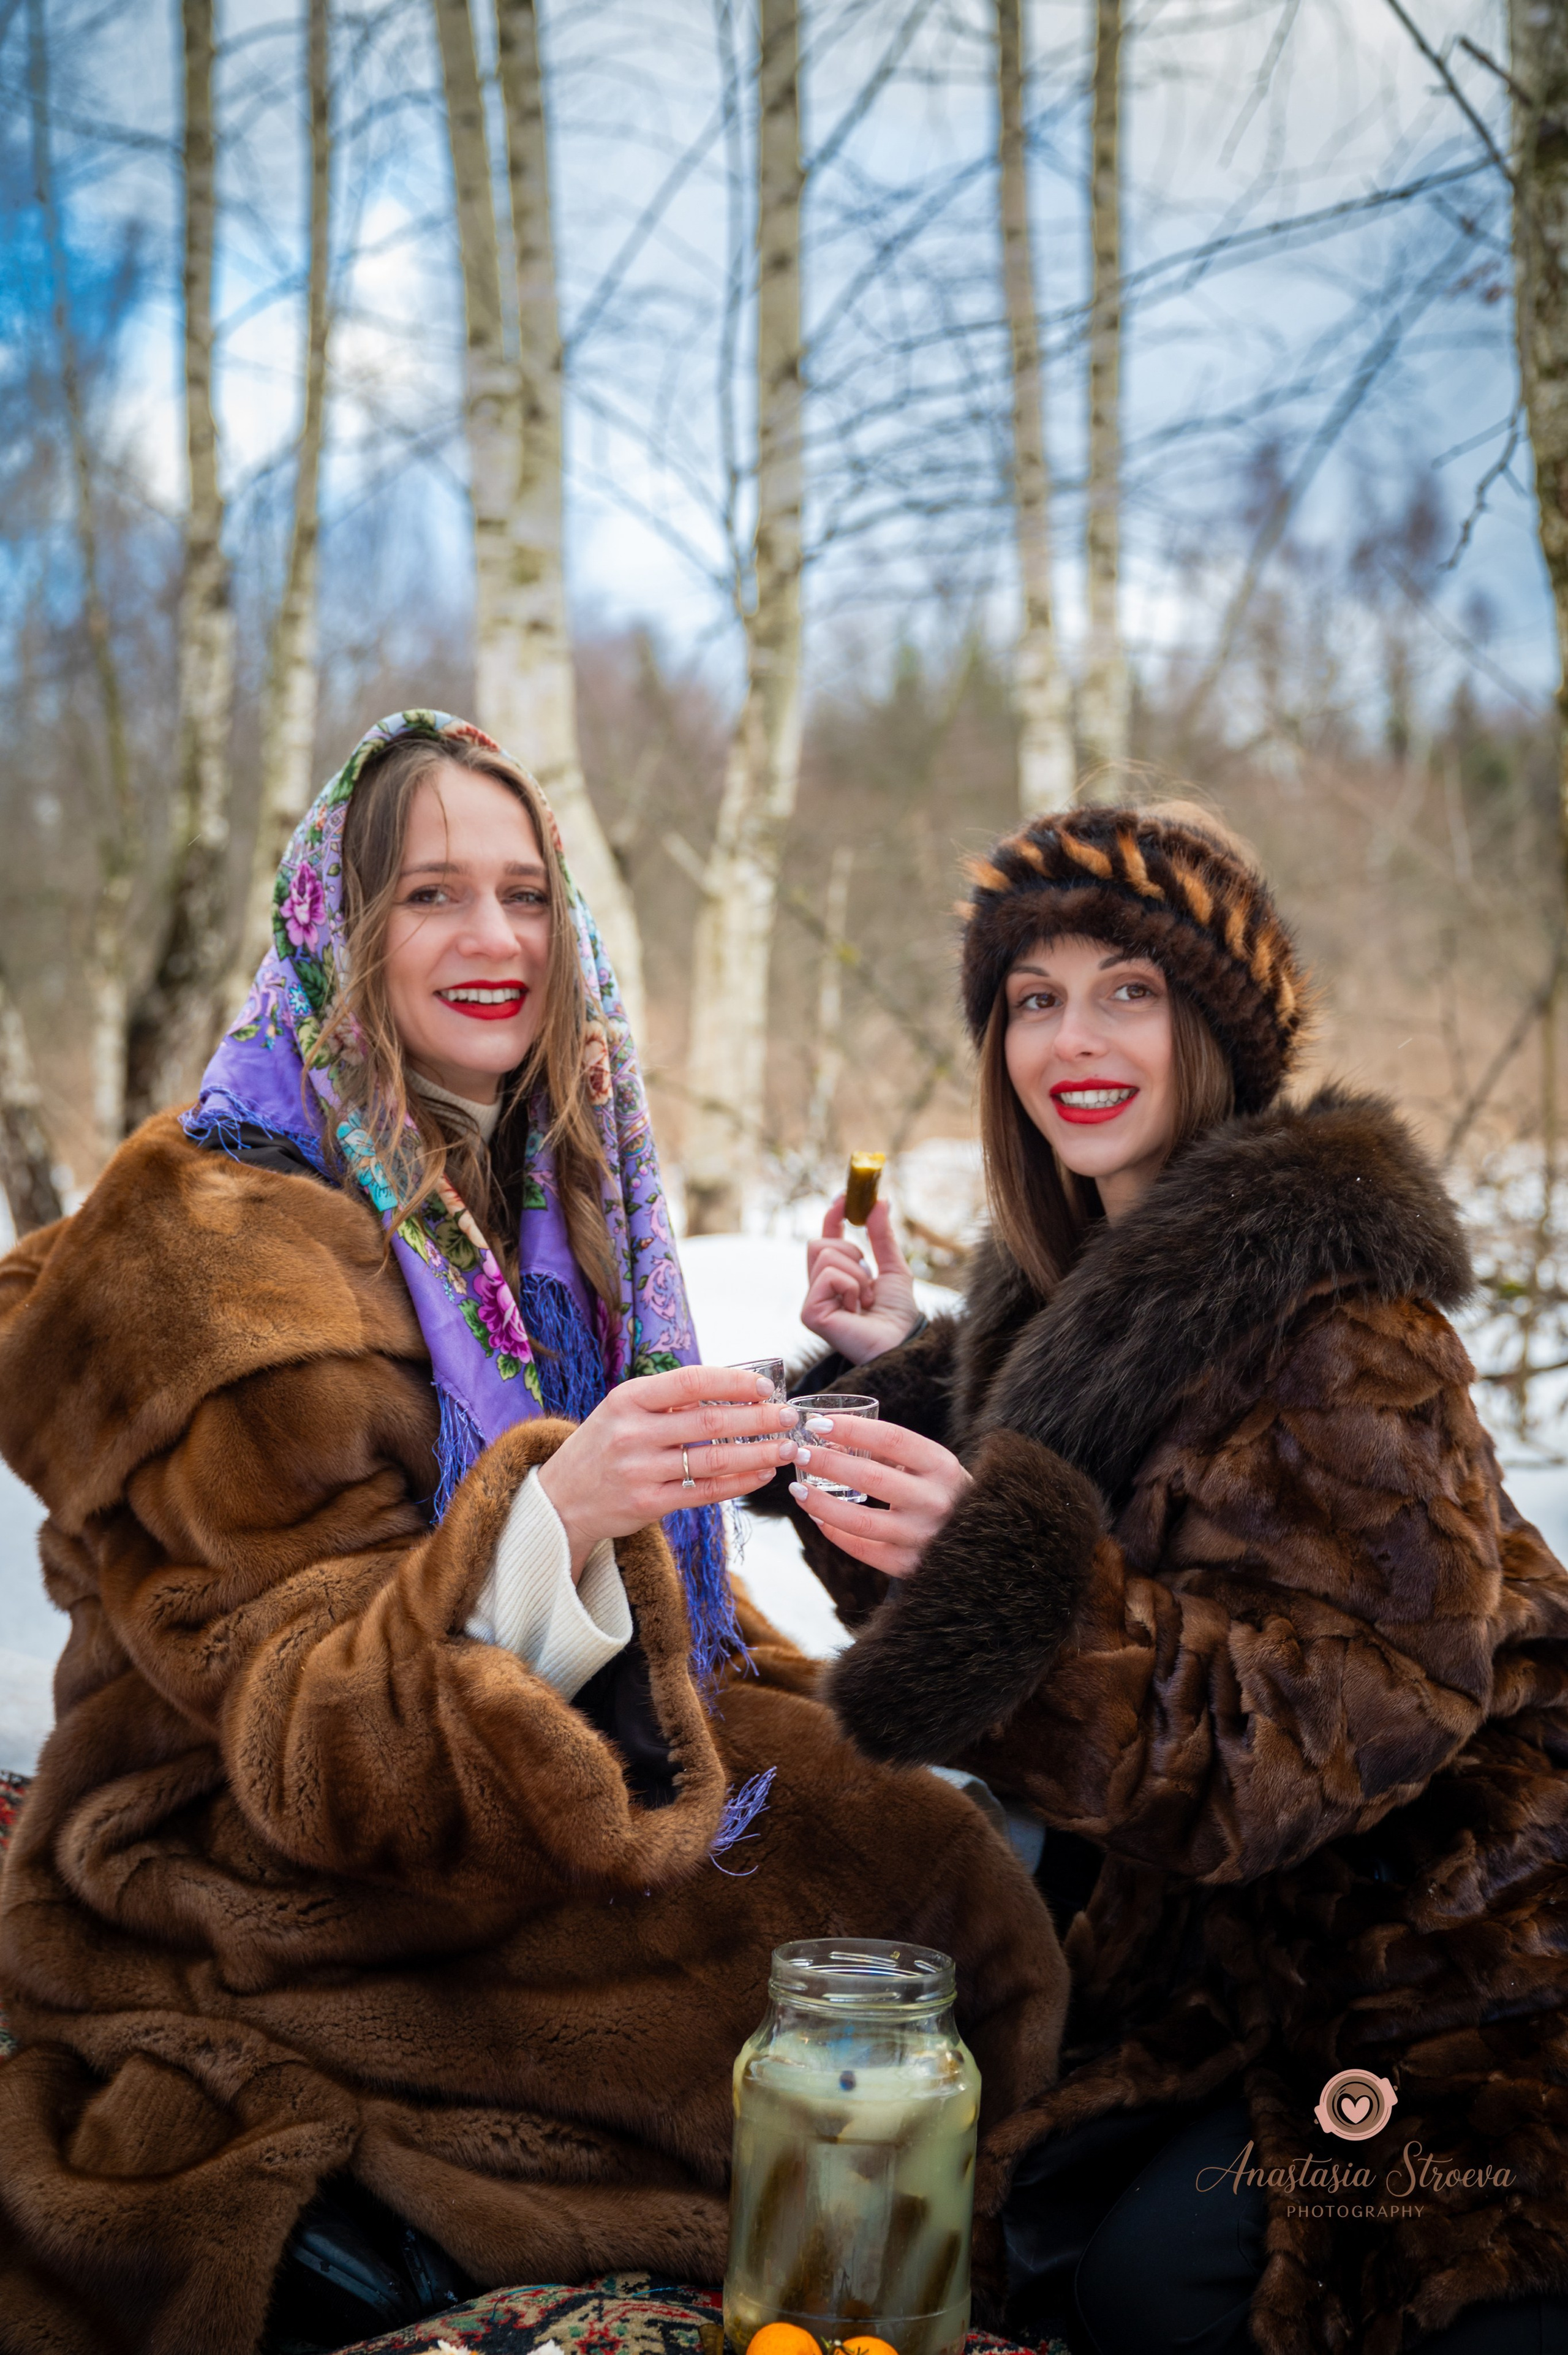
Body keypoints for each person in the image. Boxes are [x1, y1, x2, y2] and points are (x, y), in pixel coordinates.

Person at [0, 713, 1069, 2355]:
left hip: (496, 1757)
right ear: (334, 934)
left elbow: (680, 1607)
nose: (496, 940)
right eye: (432, 894)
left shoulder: (548, 1187)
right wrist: (559, 1514)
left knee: (927, 1867)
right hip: (253, 1864)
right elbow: (303, 1738)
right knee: (821, 1986)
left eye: (528, 892)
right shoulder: (218, 1251)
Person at [753, 801, 1568, 2355]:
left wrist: (997, 1559)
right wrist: (907, 1393)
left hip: (1453, 1957)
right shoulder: (1068, 1293)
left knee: (1160, 2287)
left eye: (1129, 987)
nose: (1076, 1037)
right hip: (1210, 1941)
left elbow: (1336, 1722)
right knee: (1020, 2216)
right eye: (1033, 996)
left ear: (1217, 1029)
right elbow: (1045, 1591)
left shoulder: (1348, 1325)